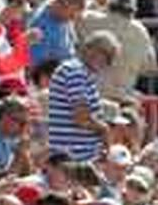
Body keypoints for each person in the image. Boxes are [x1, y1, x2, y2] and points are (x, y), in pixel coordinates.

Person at [48, 31, 121, 162]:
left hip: (79, 153)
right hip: (75, 156)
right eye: (107, 56)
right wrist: (104, 129)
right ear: (91, 49)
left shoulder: (80, 72)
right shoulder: (76, 72)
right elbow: (81, 117)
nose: (108, 63)